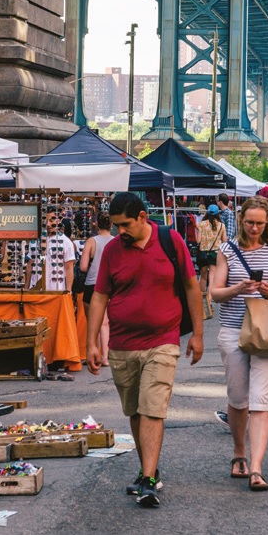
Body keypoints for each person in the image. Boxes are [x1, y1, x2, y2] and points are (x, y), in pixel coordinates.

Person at [86, 192, 204, 508]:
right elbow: (99, 297)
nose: (119, 231)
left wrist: (198, 334)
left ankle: (149, 480)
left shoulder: (171, 240)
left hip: (163, 339)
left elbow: (192, 287)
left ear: (141, 217)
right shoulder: (112, 251)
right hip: (122, 344)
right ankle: (147, 468)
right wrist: (92, 342)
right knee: (135, 411)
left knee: (153, 406)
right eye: (115, 225)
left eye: (124, 225)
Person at [209, 196, 268, 491]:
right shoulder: (226, 250)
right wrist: (239, 288)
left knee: (262, 402)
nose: (255, 228)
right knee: (238, 398)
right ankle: (239, 452)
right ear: (241, 220)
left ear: (267, 224)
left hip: (265, 331)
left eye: (260, 223)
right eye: (250, 222)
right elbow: (215, 294)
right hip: (233, 330)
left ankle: (256, 467)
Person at [80, 212, 113, 367]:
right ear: (111, 225)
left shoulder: (91, 242)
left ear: (96, 225)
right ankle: (106, 357)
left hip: (92, 284)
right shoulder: (116, 242)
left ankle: (95, 355)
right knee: (105, 322)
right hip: (110, 284)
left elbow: (83, 266)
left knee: (93, 322)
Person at [25, 209, 75, 291]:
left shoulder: (66, 242)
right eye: (45, 220)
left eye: (51, 220)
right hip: (35, 290)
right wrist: (26, 289)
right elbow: (30, 264)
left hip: (56, 291)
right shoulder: (35, 240)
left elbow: (69, 268)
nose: (48, 224)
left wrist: (68, 292)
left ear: (58, 221)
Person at [196, 204, 226, 294]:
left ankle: (201, 296)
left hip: (203, 253)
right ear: (218, 214)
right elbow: (225, 241)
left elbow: (198, 241)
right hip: (215, 253)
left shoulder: (201, 224)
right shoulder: (222, 226)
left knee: (203, 275)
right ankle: (210, 298)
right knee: (212, 276)